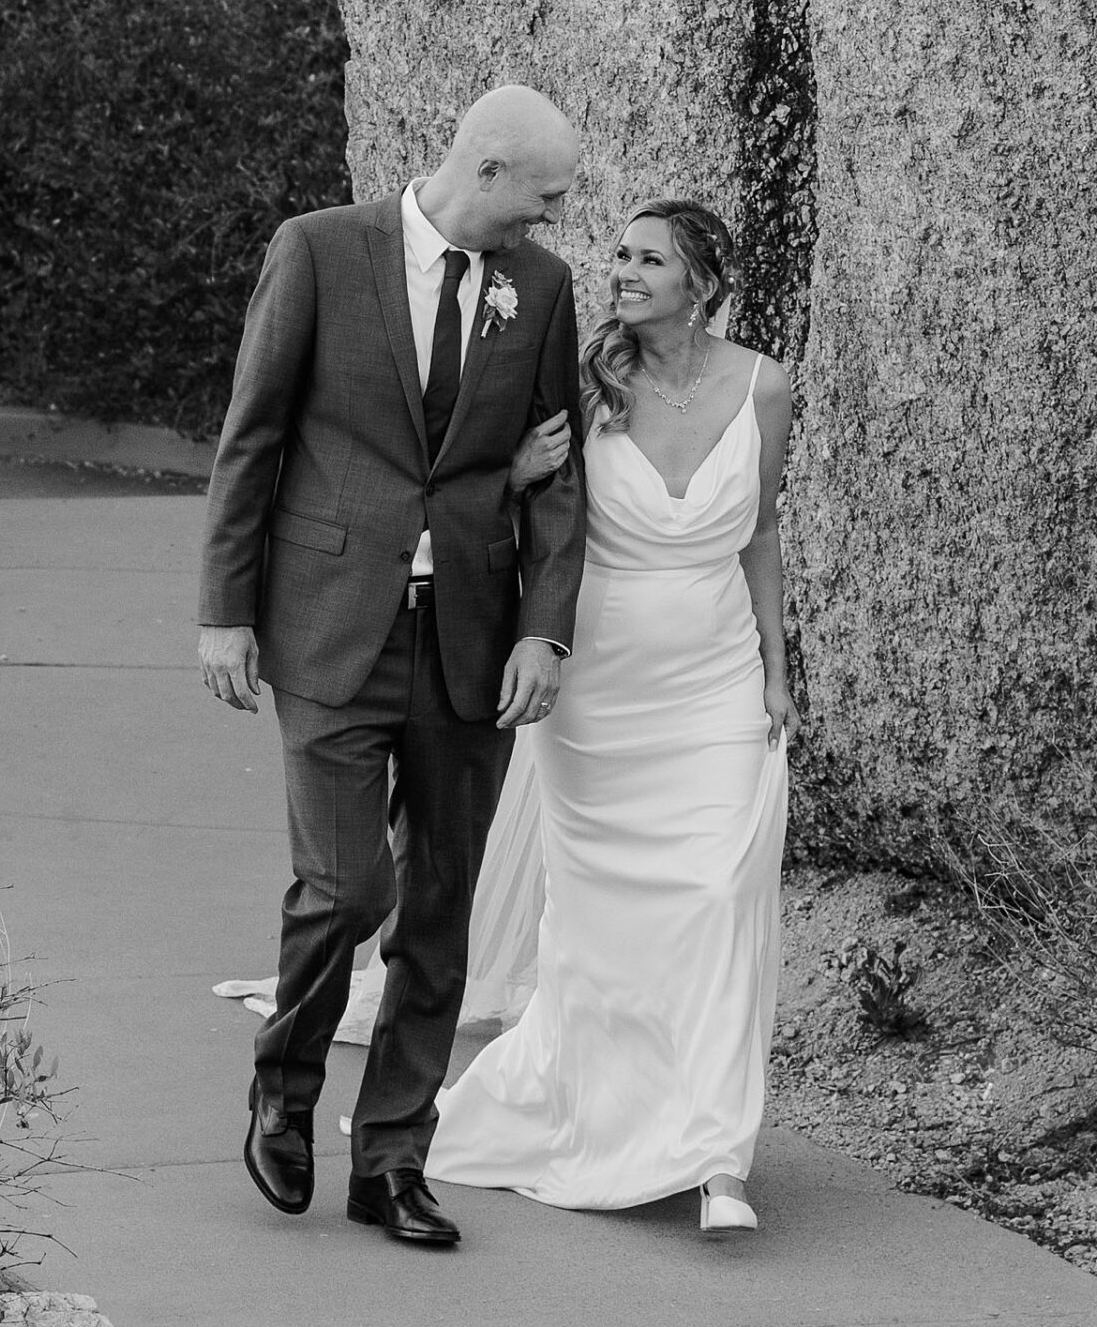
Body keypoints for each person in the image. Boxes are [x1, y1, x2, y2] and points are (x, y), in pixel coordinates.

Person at [197, 86, 588, 1249]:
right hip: (327, 623)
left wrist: (541, 628)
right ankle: (285, 1081)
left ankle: (392, 1158)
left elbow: (557, 473)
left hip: (469, 633)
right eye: (544, 197)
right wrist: (224, 612)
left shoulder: (541, 290)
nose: (553, 220)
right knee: (350, 884)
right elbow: (252, 432)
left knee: (439, 907)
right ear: (487, 170)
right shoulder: (318, 251)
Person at [424, 197, 797, 1235]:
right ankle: (602, 1110)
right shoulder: (588, 384)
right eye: (620, 255)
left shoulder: (767, 386)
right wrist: (518, 473)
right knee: (602, 928)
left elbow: (759, 531)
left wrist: (776, 664)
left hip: (716, 678)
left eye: (647, 258)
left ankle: (718, 1156)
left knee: (720, 893)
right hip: (600, 693)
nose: (622, 272)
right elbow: (497, 500)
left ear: (701, 283)